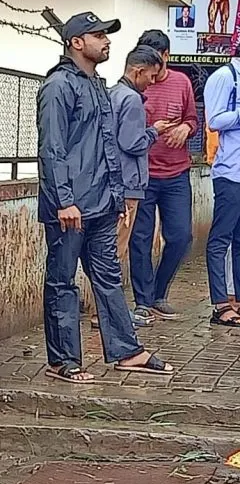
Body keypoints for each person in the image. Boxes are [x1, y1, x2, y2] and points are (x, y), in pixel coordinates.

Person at [37, 12, 174, 384]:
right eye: (97, 35)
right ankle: (63, 359)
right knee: (63, 281)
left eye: (106, 35)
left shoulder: (98, 85)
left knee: (109, 278)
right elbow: (52, 149)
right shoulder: (59, 86)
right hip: (70, 207)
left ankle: (127, 350)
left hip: (100, 204)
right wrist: (64, 200)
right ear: (76, 43)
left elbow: (108, 147)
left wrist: (115, 198)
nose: (106, 41)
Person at [104, 45, 177, 329]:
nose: (152, 82)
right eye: (151, 76)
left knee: (109, 251)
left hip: (112, 181)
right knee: (115, 252)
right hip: (128, 184)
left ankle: (109, 311)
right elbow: (132, 143)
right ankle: (109, 314)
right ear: (138, 71)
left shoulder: (112, 94)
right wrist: (154, 131)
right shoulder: (132, 100)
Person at [129, 30, 198, 322]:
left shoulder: (182, 82)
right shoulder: (134, 86)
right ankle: (143, 301)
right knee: (140, 240)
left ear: (166, 56)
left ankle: (159, 293)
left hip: (176, 174)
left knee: (181, 236)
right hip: (143, 176)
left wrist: (187, 129)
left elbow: (193, 119)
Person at [202, 46, 240, 325]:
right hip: (230, 174)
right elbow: (214, 120)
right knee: (220, 240)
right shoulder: (225, 77)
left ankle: (237, 300)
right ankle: (220, 304)